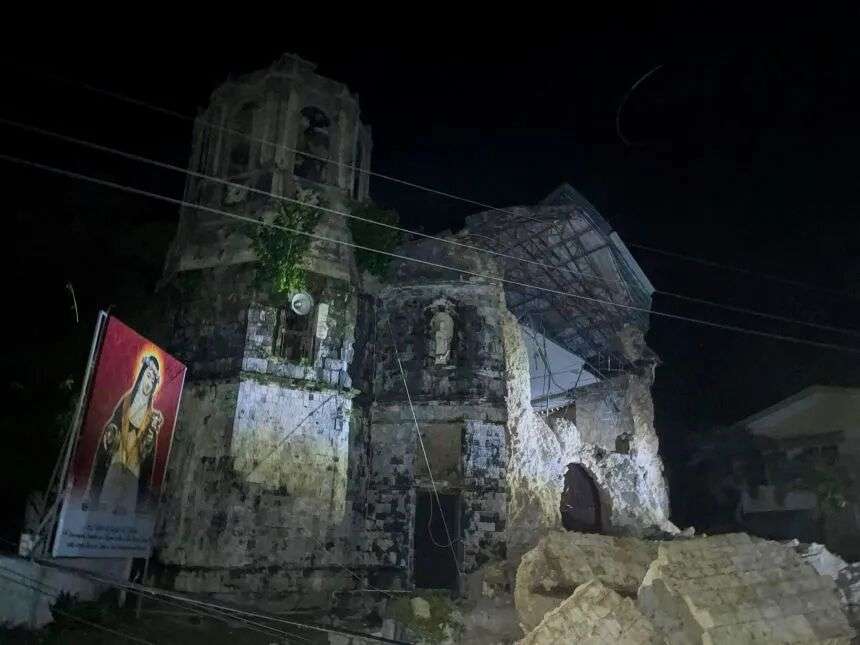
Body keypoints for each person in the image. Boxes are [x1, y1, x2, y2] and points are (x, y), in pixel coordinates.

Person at [86, 355, 164, 514]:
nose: (148, 382)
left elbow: (147, 454)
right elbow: (113, 426)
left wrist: (150, 438)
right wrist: (111, 432)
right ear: (141, 376)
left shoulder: (151, 417)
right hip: (117, 461)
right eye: (146, 376)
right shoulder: (127, 401)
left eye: (152, 379)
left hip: (133, 470)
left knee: (124, 513)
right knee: (105, 507)